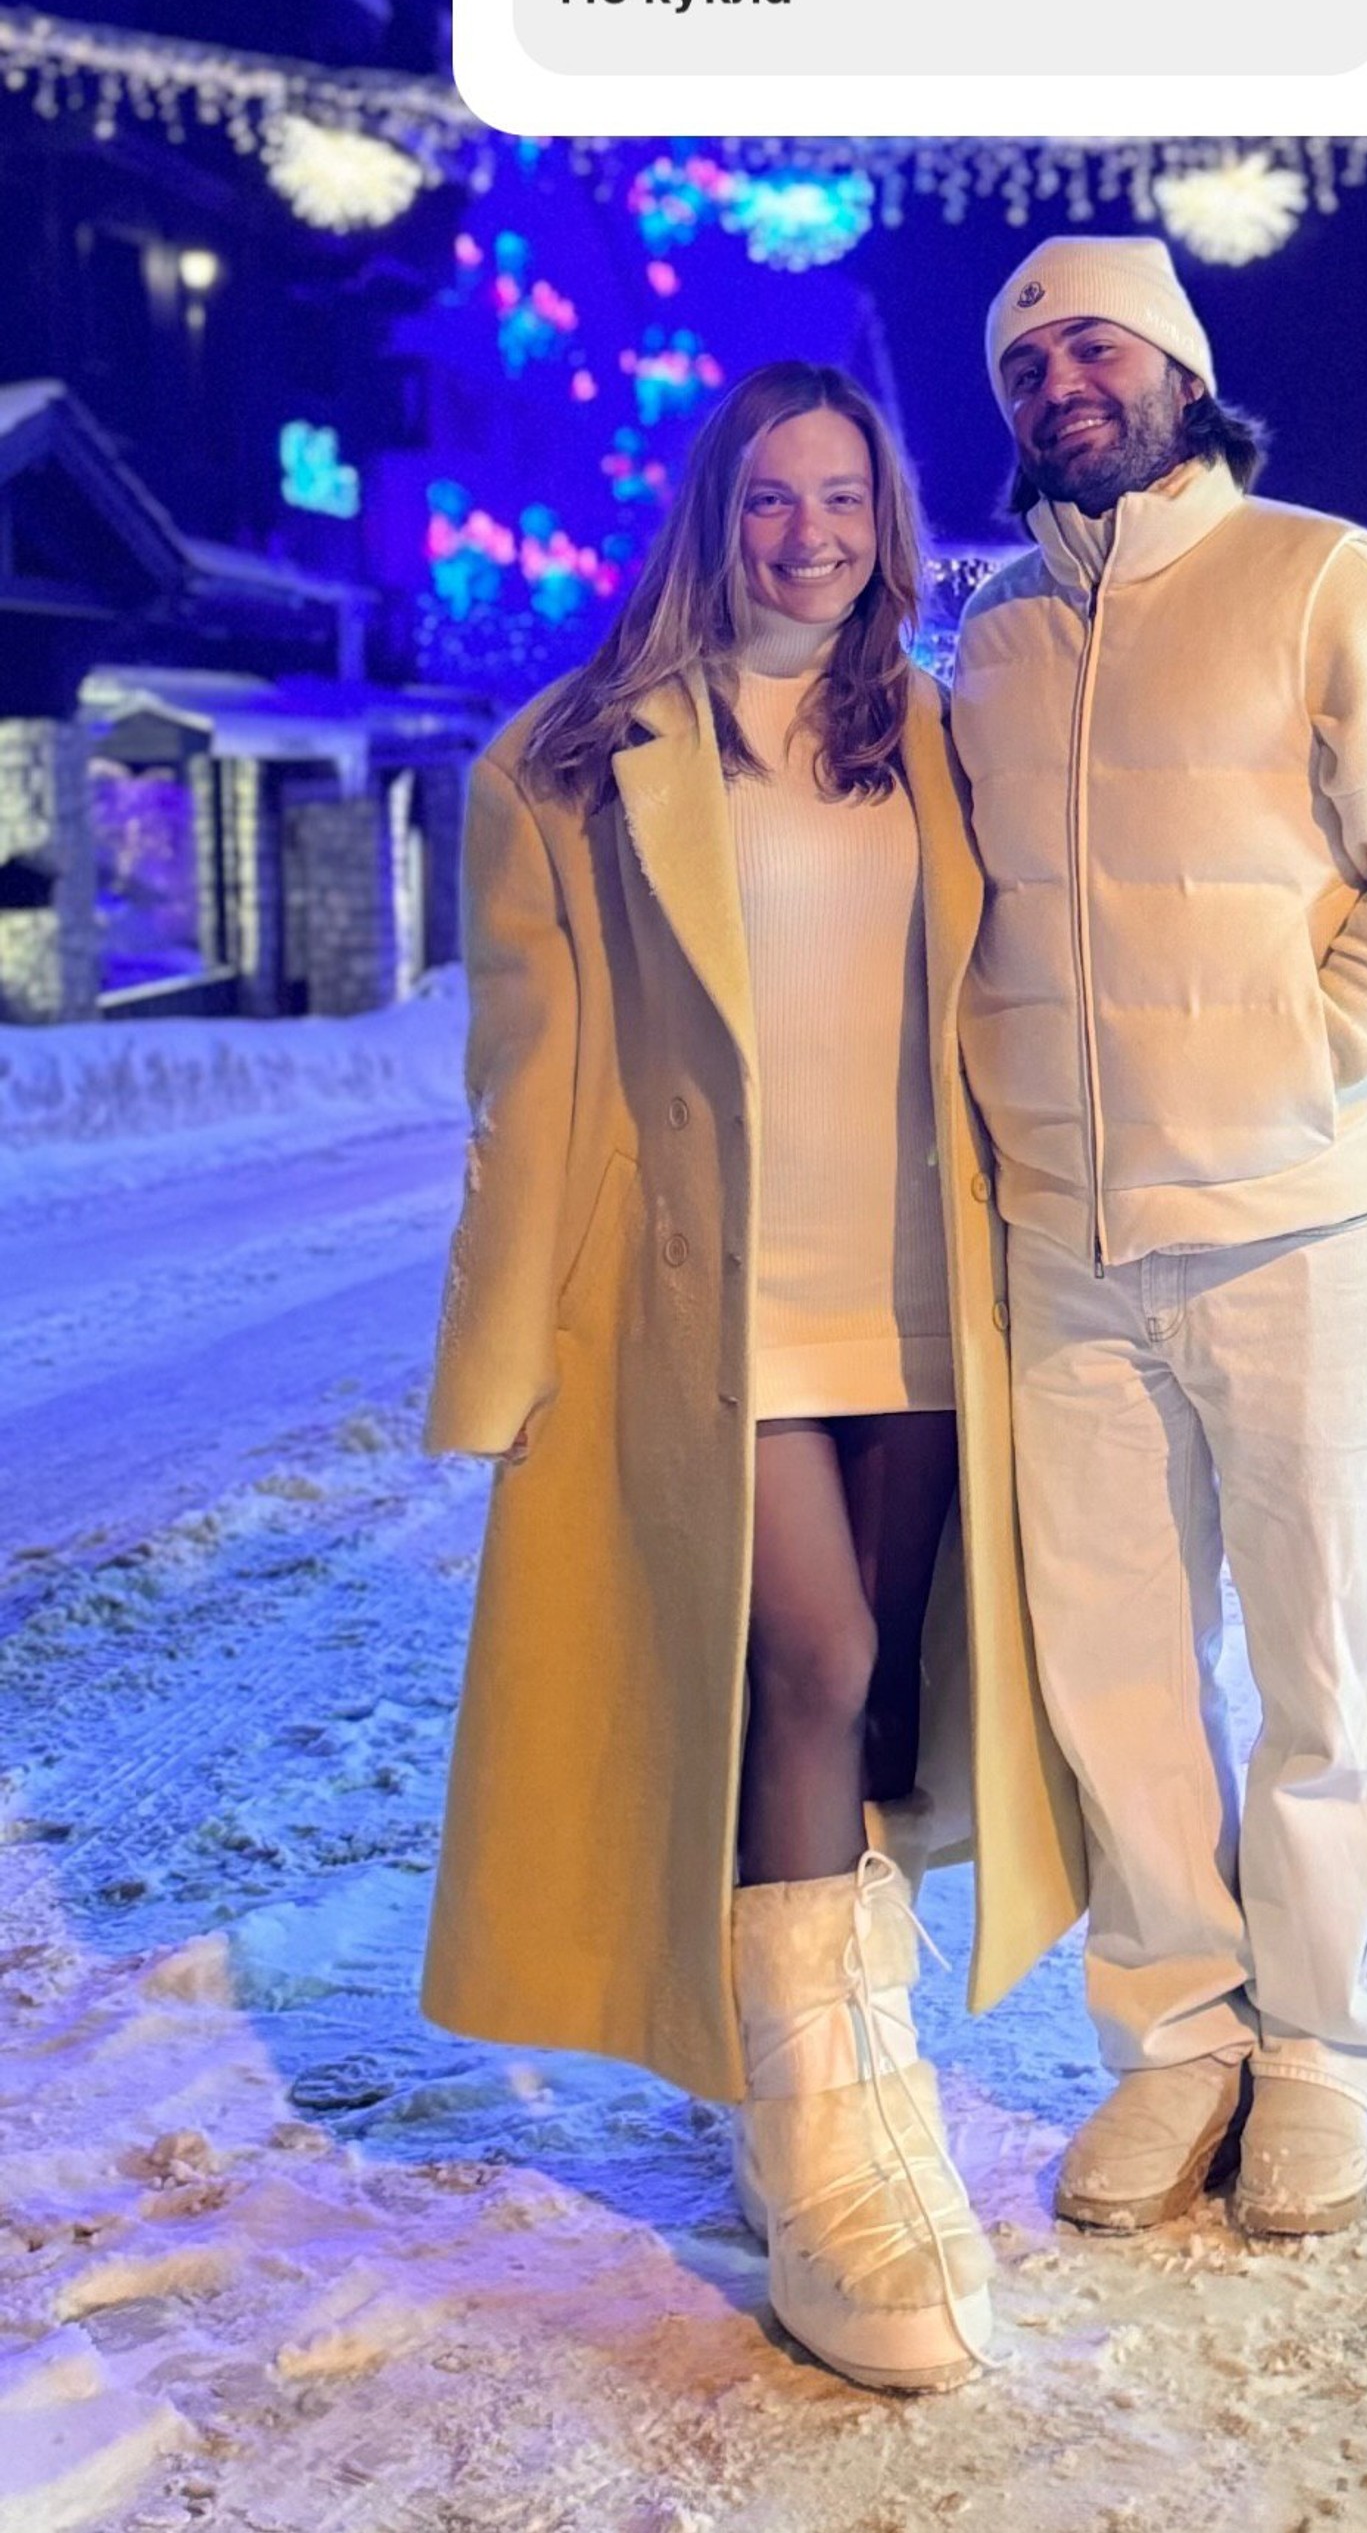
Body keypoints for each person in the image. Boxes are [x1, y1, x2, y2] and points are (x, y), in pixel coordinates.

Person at [420, 359, 1082, 2394]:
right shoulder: (570, 758)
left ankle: (830, 2059)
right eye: (774, 497)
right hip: (711, 1310)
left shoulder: (938, 735)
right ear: (713, 511)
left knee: (867, 1697)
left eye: (846, 499)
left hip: (921, 1292)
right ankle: (823, 2157)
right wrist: (499, 1357)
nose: (811, 535)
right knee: (804, 1654)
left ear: (889, 522)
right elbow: (528, 1091)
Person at [951, 237, 1367, 2241]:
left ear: (1181, 372)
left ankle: (1322, 2052)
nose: (1062, 385)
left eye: (1097, 346)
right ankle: (1176, 2036)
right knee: (1110, 1670)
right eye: (1026, 366)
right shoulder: (992, 636)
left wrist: (1303, 1066)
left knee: (1315, 1658)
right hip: (1067, 1242)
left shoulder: (1316, 576)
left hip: (1295, 1221)